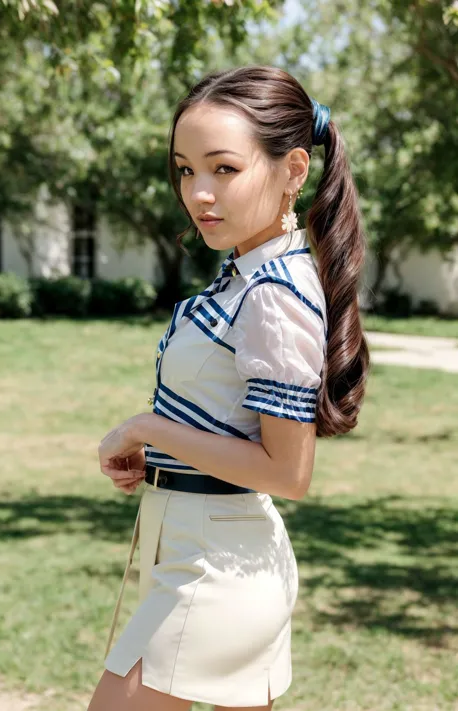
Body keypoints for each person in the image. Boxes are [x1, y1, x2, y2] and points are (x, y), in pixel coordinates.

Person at [88, 64, 370, 711]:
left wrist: (147, 429)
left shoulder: (274, 293)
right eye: (186, 169)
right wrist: (160, 453)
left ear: (293, 171)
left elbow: (288, 471)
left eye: (224, 168)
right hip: (203, 552)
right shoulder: (248, 276)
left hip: (217, 571)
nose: (199, 193)